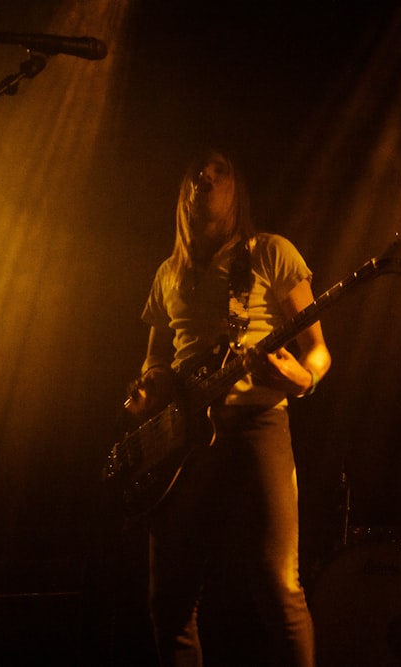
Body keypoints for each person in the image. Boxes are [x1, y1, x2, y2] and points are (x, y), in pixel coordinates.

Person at [124, 147, 330, 666]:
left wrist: (302, 379)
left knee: (276, 584)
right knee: (169, 598)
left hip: (256, 422)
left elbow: (319, 351)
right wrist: (149, 386)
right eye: (197, 170)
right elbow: (157, 358)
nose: (206, 176)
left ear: (237, 191)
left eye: (220, 170)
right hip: (182, 439)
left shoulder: (270, 252)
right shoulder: (166, 274)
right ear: (184, 193)